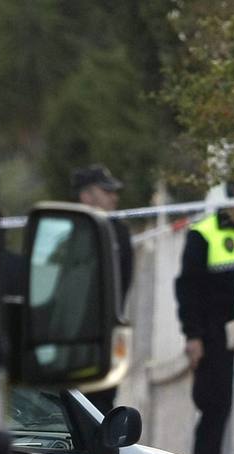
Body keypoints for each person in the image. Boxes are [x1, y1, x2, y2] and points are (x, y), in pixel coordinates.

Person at [176, 181, 234, 454]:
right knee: (213, 410)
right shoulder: (203, 233)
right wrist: (193, 336)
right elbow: (188, 289)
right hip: (212, 337)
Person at [71, 163, 133, 414]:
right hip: (70, 342)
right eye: (106, 191)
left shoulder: (117, 232)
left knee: (100, 411)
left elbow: (121, 286)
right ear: (86, 196)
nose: (114, 197)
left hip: (103, 339)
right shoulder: (68, 232)